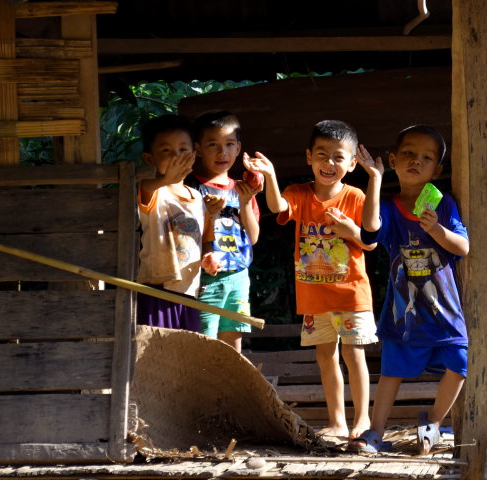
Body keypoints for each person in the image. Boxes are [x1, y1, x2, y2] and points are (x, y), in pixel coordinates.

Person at [244, 119, 378, 440]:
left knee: (353, 353)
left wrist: (351, 232)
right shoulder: (299, 193)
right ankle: (337, 422)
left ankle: (362, 420)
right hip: (314, 297)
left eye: (337, 156)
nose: (329, 163)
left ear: (351, 163)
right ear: (308, 157)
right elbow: (277, 205)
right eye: (321, 155)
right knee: (325, 357)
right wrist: (270, 175)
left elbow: (371, 240)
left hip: (350, 295)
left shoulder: (356, 196)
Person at [349, 125, 470, 454]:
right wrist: (374, 178)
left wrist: (438, 230)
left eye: (426, 158)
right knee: (391, 372)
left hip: (444, 311)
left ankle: (433, 421)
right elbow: (371, 230)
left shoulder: (443, 205)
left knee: (460, 362)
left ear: (437, 170)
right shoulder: (388, 206)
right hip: (403, 313)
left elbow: (462, 247)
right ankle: (375, 433)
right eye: (408, 154)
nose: (417, 161)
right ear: (392, 160)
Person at [186, 111, 261, 353]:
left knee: (233, 341)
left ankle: (229, 390)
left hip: (238, 275)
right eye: (213, 145)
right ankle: (204, 390)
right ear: (198, 149)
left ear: (239, 148)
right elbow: (183, 236)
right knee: (204, 340)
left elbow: (253, 237)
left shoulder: (242, 188)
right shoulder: (190, 187)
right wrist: (207, 213)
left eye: (229, 144)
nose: (222, 152)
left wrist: (247, 202)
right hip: (205, 277)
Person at [137, 114, 212, 332]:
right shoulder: (154, 190)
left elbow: (204, 237)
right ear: (149, 158)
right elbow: (145, 189)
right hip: (156, 289)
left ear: (194, 154)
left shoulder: (197, 197)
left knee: (183, 354)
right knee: (155, 353)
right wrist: (165, 179)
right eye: (166, 151)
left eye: (182, 150)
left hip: (189, 291)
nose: (176, 157)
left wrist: (208, 256)